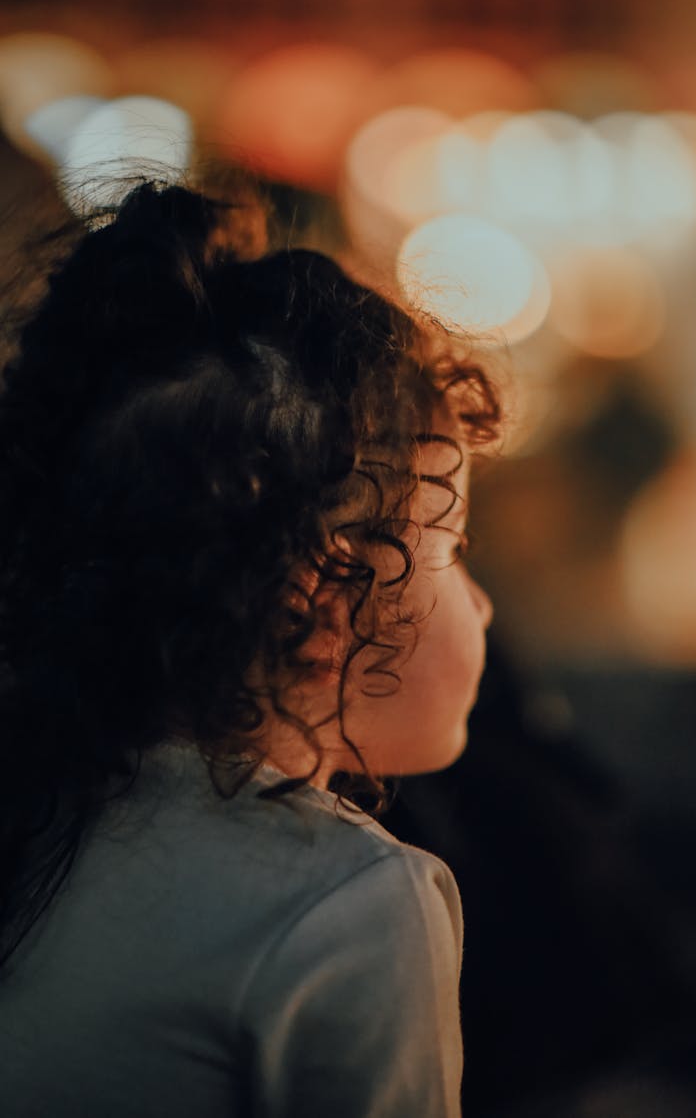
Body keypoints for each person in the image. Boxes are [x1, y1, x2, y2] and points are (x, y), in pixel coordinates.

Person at [0, 180, 500, 1117]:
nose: (482, 603)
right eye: (455, 548)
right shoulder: (349, 904)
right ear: (319, 596)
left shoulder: (36, 809)